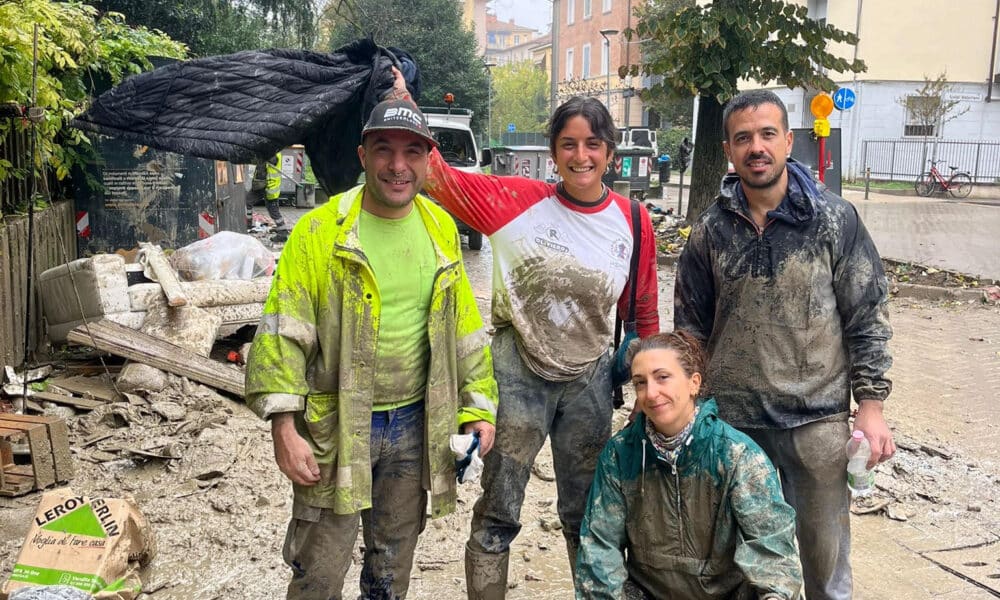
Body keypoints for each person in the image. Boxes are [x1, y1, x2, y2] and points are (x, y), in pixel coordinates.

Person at [384, 70, 660, 598]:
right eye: (568, 144)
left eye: (593, 144)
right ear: (553, 153)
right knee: (499, 509)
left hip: (590, 382)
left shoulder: (633, 220)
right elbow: (439, 177)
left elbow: (643, 314)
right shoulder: (515, 201)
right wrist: (403, 98)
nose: (581, 156)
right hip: (516, 373)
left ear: (610, 152)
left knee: (589, 513)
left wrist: (646, 394)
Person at [245, 98, 500, 600]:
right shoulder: (320, 232)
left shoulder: (439, 227)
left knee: (391, 565)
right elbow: (283, 333)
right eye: (384, 149)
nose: (398, 165)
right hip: (336, 425)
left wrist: (477, 407)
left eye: (412, 152)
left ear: (428, 161)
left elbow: (464, 329)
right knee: (319, 569)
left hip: (414, 426)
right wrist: (283, 426)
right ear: (363, 155)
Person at [674, 89, 895, 600]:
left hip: (815, 422)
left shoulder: (834, 220)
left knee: (824, 568)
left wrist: (871, 405)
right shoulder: (710, 230)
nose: (757, 147)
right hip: (733, 425)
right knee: (737, 565)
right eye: (743, 138)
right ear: (728, 150)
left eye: (768, 134)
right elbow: (690, 328)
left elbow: (867, 315)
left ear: (788, 142)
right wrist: (688, 408)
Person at [575, 330, 802, 600]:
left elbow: (773, 552)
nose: (651, 393)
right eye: (640, 383)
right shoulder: (620, 455)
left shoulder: (737, 455)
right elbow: (600, 550)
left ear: (694, 383)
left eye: (662, 377)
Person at [249, 152, 288, 231]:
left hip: (270, 187)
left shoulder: (274, 153)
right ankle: (248, 225)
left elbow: (272, 160)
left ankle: (283, 231)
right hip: (261, 185)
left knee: (273, 210)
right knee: (248, 201)